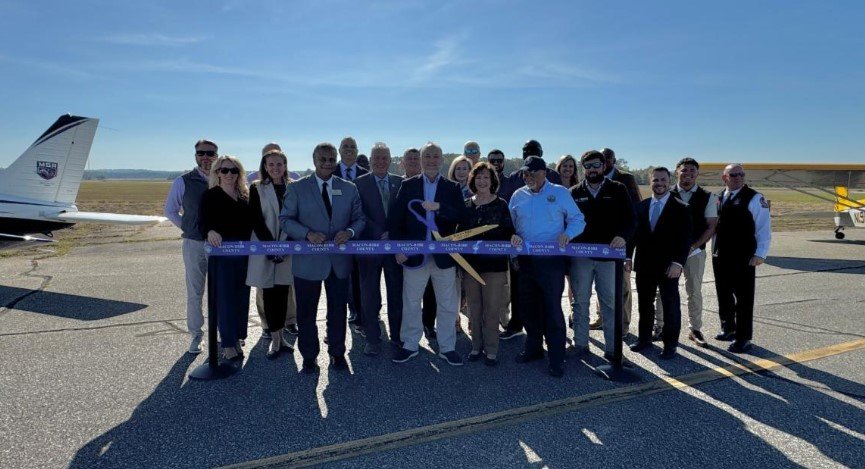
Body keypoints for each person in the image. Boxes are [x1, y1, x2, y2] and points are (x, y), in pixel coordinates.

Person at [280, 142, 366, 373]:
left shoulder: (348, 188)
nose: (327, 163)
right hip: (307, 264)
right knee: (306, 313)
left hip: (339, 264)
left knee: (338, 311)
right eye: (323, 159)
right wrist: (306, 234)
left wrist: (349, 232)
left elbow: (360, 219)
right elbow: (286, 219)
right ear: (314, 160)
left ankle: (338, 353)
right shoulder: (298, 188)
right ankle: (309, 357)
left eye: (331, 159)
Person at [389, 141, 468, 366]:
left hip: (444, 257)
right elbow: (396, 220)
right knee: (411, 302)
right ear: (421, 160)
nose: (432, 160)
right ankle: (410, 345)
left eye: (436, 156)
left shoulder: (452, 188)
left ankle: (447, 347)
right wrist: (400, 249)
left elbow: (462, 217)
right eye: (428, 156)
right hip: (414, 257)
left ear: (442, 160)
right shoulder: (408, 185)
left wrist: (439, 208)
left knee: (447, 304)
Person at [509, 156, 585, 377]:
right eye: (525, 173)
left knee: (552, 309)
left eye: (532, 173)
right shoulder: (518, 195)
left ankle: (556, 357)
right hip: (525, 260)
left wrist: (567, 234)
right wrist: (513, 246)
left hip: (551, 261)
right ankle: (533, 349)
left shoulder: (560, 193)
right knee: (528, 308)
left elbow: (578, 219)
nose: (528, 177)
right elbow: (512, 226)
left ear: (544, 172)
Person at [568, 150, 635, 360]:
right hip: (581, 257)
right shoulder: (574, 192)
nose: (592, 169)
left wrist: (623, 237)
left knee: (609, 302)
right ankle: (580, 344)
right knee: (580, 301)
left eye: (596, 165)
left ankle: (613, 349)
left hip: (609, 257)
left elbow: (631, 220)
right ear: (583, 168)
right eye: (587, 166)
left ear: (604, 165)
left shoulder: (617, 189)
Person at [499, 140, 562, 341]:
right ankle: (517, 325)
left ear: (542, 153)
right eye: (526, 151)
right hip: (521, 246)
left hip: (549, 250)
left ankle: (547, 332)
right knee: (520, 291)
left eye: (534, 151)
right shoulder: (516, 177)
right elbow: (508, 210)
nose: (529, 153)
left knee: (547, 295)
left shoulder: (552, 176)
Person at [653, 157, 718, 347]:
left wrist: (693, 246)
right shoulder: (667, 193)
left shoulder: (708, 197)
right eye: (684, 171)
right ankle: (660, 326)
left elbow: (711, 226)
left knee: (694, 291)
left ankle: (695, 329)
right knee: (662, 292)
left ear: (697, 174)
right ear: (676, 173)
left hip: (694, 252)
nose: (687, 175)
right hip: (669, 254)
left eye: (692, 172)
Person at [628, 167, 691, 360]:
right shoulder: (642, 206)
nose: (659, 184)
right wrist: (627, 257)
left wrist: (678, 263)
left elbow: (685, 239)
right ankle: (644, 340)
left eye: (663, 180)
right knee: (645, 304)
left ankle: (670, 344)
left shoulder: (681, 208)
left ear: (669, 182)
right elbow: (633, 236)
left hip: (668, 267)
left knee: (670, 305)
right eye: (655, 180)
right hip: (645, 265)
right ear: (650, 182)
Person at [163, 139, 218, 354]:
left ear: (216, 155)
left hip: (220, 246)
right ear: (195, 155)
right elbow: (170, 210)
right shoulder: (184, 181)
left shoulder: (223, 177)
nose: (206, 157)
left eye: (210, 153)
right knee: (195, 291)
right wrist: (187, 228)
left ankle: (222, 333)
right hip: (194, 243)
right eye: (201, 153)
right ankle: (196, 334)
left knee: (220, 290)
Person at [458, 162, 514, 366]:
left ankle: (491, 350)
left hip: (495, 267)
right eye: (478, 177)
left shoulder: (501, 204)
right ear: (473, 180)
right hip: (471, 267)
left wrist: (513, 238)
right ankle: (475, 347)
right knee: (474, 308)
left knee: (492, 309)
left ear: (492, 182)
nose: (482, 181)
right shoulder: (466, 204)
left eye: (486, 178)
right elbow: (460, 234)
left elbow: (508, 232)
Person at [712, 163, 771, 353]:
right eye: (733, 175)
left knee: (744, 299)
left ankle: (743, 337)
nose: (738, 177)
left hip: (743, 257)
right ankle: (728, 328)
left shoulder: (754, 198)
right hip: (720, 255)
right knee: (724, 294)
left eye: (741, 174)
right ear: (725, 178)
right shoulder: (720, 197)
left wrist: (760, 254)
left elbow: (763, 227)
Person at [200, 156, 254, 361]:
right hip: (221, 255)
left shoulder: (244, 196)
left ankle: (239, 336)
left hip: (244, 254)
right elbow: (202, 222)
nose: (229, 174)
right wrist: (210, 231)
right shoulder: (210, 196)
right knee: (225, 299)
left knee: (242, 297)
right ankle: (228, 343)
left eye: (233, 170)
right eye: (224, 171)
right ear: (217, 173)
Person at [247, 149, 297, 359]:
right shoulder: (257, 188)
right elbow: (256, 219)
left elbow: (297, 215)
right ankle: (275, 339)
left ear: (285, 166)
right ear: (265, 167)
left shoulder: (294, 187)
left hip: (287, 246)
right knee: (269, 293)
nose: (276, 168)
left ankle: (284, 337)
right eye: (271, 165)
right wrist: (270, 247)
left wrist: (284, 245)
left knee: (283, 292)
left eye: (280, 164)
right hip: (264, 246)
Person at [355, 142, 404, 356]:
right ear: (371, 160)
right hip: (369, 248)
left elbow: (404, 214)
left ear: (390, 160)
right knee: (369, 296)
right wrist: (379, 233)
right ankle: (373, 339)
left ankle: (397, 337)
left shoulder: (401, 182)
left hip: (394, 249)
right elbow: (358, 213)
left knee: (396, 294)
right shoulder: (358, 183)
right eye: (377, 158)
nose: (381, 161)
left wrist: (392, 233)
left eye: (385, 158)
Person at [590, 147, 643, 333]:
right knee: (603, 288)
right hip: (598, 247)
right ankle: (602, 318)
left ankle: (623, 324)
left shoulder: (625, 179)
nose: (603, 161)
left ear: (611, 160)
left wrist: (628, 246)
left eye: (606, 158)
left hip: (620, 244)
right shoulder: (590, 180)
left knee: (623, 287)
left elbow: (634, 213)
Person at [335, 136, 368, 332]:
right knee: (339, 279)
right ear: (340, 150)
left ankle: (358, 314)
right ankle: (336, 324)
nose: (349, 150)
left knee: (358, 277)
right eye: (345, 147)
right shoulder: (331, 172)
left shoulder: (366, 175)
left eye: (352, 147)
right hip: (335, 237)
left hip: (359, 235)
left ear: (357, 151)